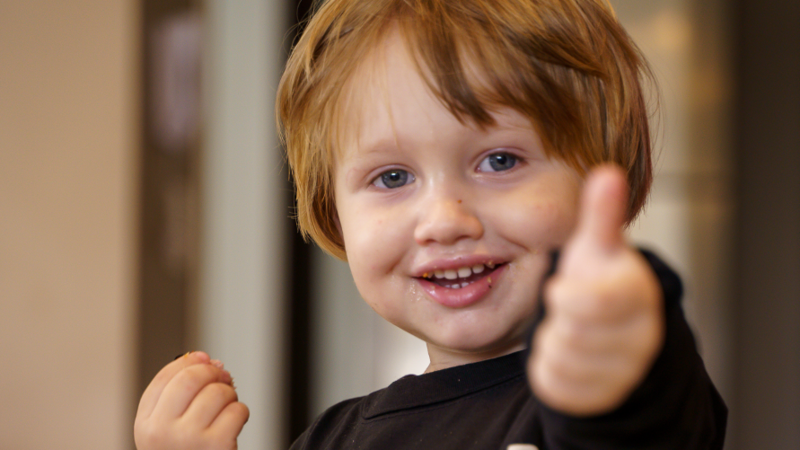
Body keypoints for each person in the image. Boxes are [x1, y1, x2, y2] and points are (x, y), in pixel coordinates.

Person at [133, 0, 727, 449]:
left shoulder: (611, 397)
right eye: (392, 178)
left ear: (608, 175)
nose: (444, 222)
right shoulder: (335, 438)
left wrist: (624, 335)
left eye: (500, 161)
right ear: (330, 206)